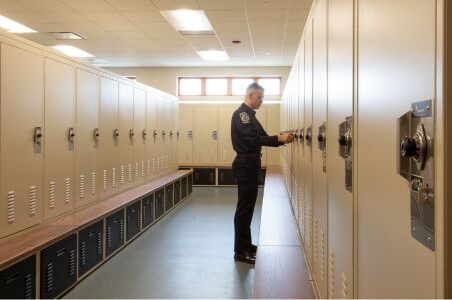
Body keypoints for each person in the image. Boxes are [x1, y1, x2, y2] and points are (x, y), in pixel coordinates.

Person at [231, 82, 294, 264]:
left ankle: (247, 245)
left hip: (251, 163)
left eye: (262, 97)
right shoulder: (242, 115)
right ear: (250, 95)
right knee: (244, 208)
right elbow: (252, 140)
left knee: (249, 207)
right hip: (246, 163)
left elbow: (263, 137)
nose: (261, 101)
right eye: (259, 97)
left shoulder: (251, 116)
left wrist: (280, 139)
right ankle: (240, 251)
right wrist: (278, 139)